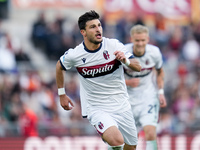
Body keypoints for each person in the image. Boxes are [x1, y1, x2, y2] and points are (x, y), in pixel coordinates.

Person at [56, 10, 142, 150]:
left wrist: (125, 61)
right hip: (97, 108)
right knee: (117, 141)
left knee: (131, 146)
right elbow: (59, 66)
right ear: (83, 32)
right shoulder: (76, 54)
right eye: (92, 27)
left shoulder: (113, 45)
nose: (98, 29)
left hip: (121, 105)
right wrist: (62, 94)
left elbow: (138, 67)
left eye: (99, 25)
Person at [123, 24, 167, 150]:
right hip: (127, 99)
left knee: (150, 132)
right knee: (130, 139)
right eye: (137, 40)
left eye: (143, 40)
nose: (140, 43)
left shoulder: (154, 52)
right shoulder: (123, 53)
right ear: (131, 39)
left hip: (148, 97)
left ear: (147, 39)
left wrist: (161, 91)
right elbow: (113, 77)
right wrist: (128, 82)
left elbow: (160, 71)